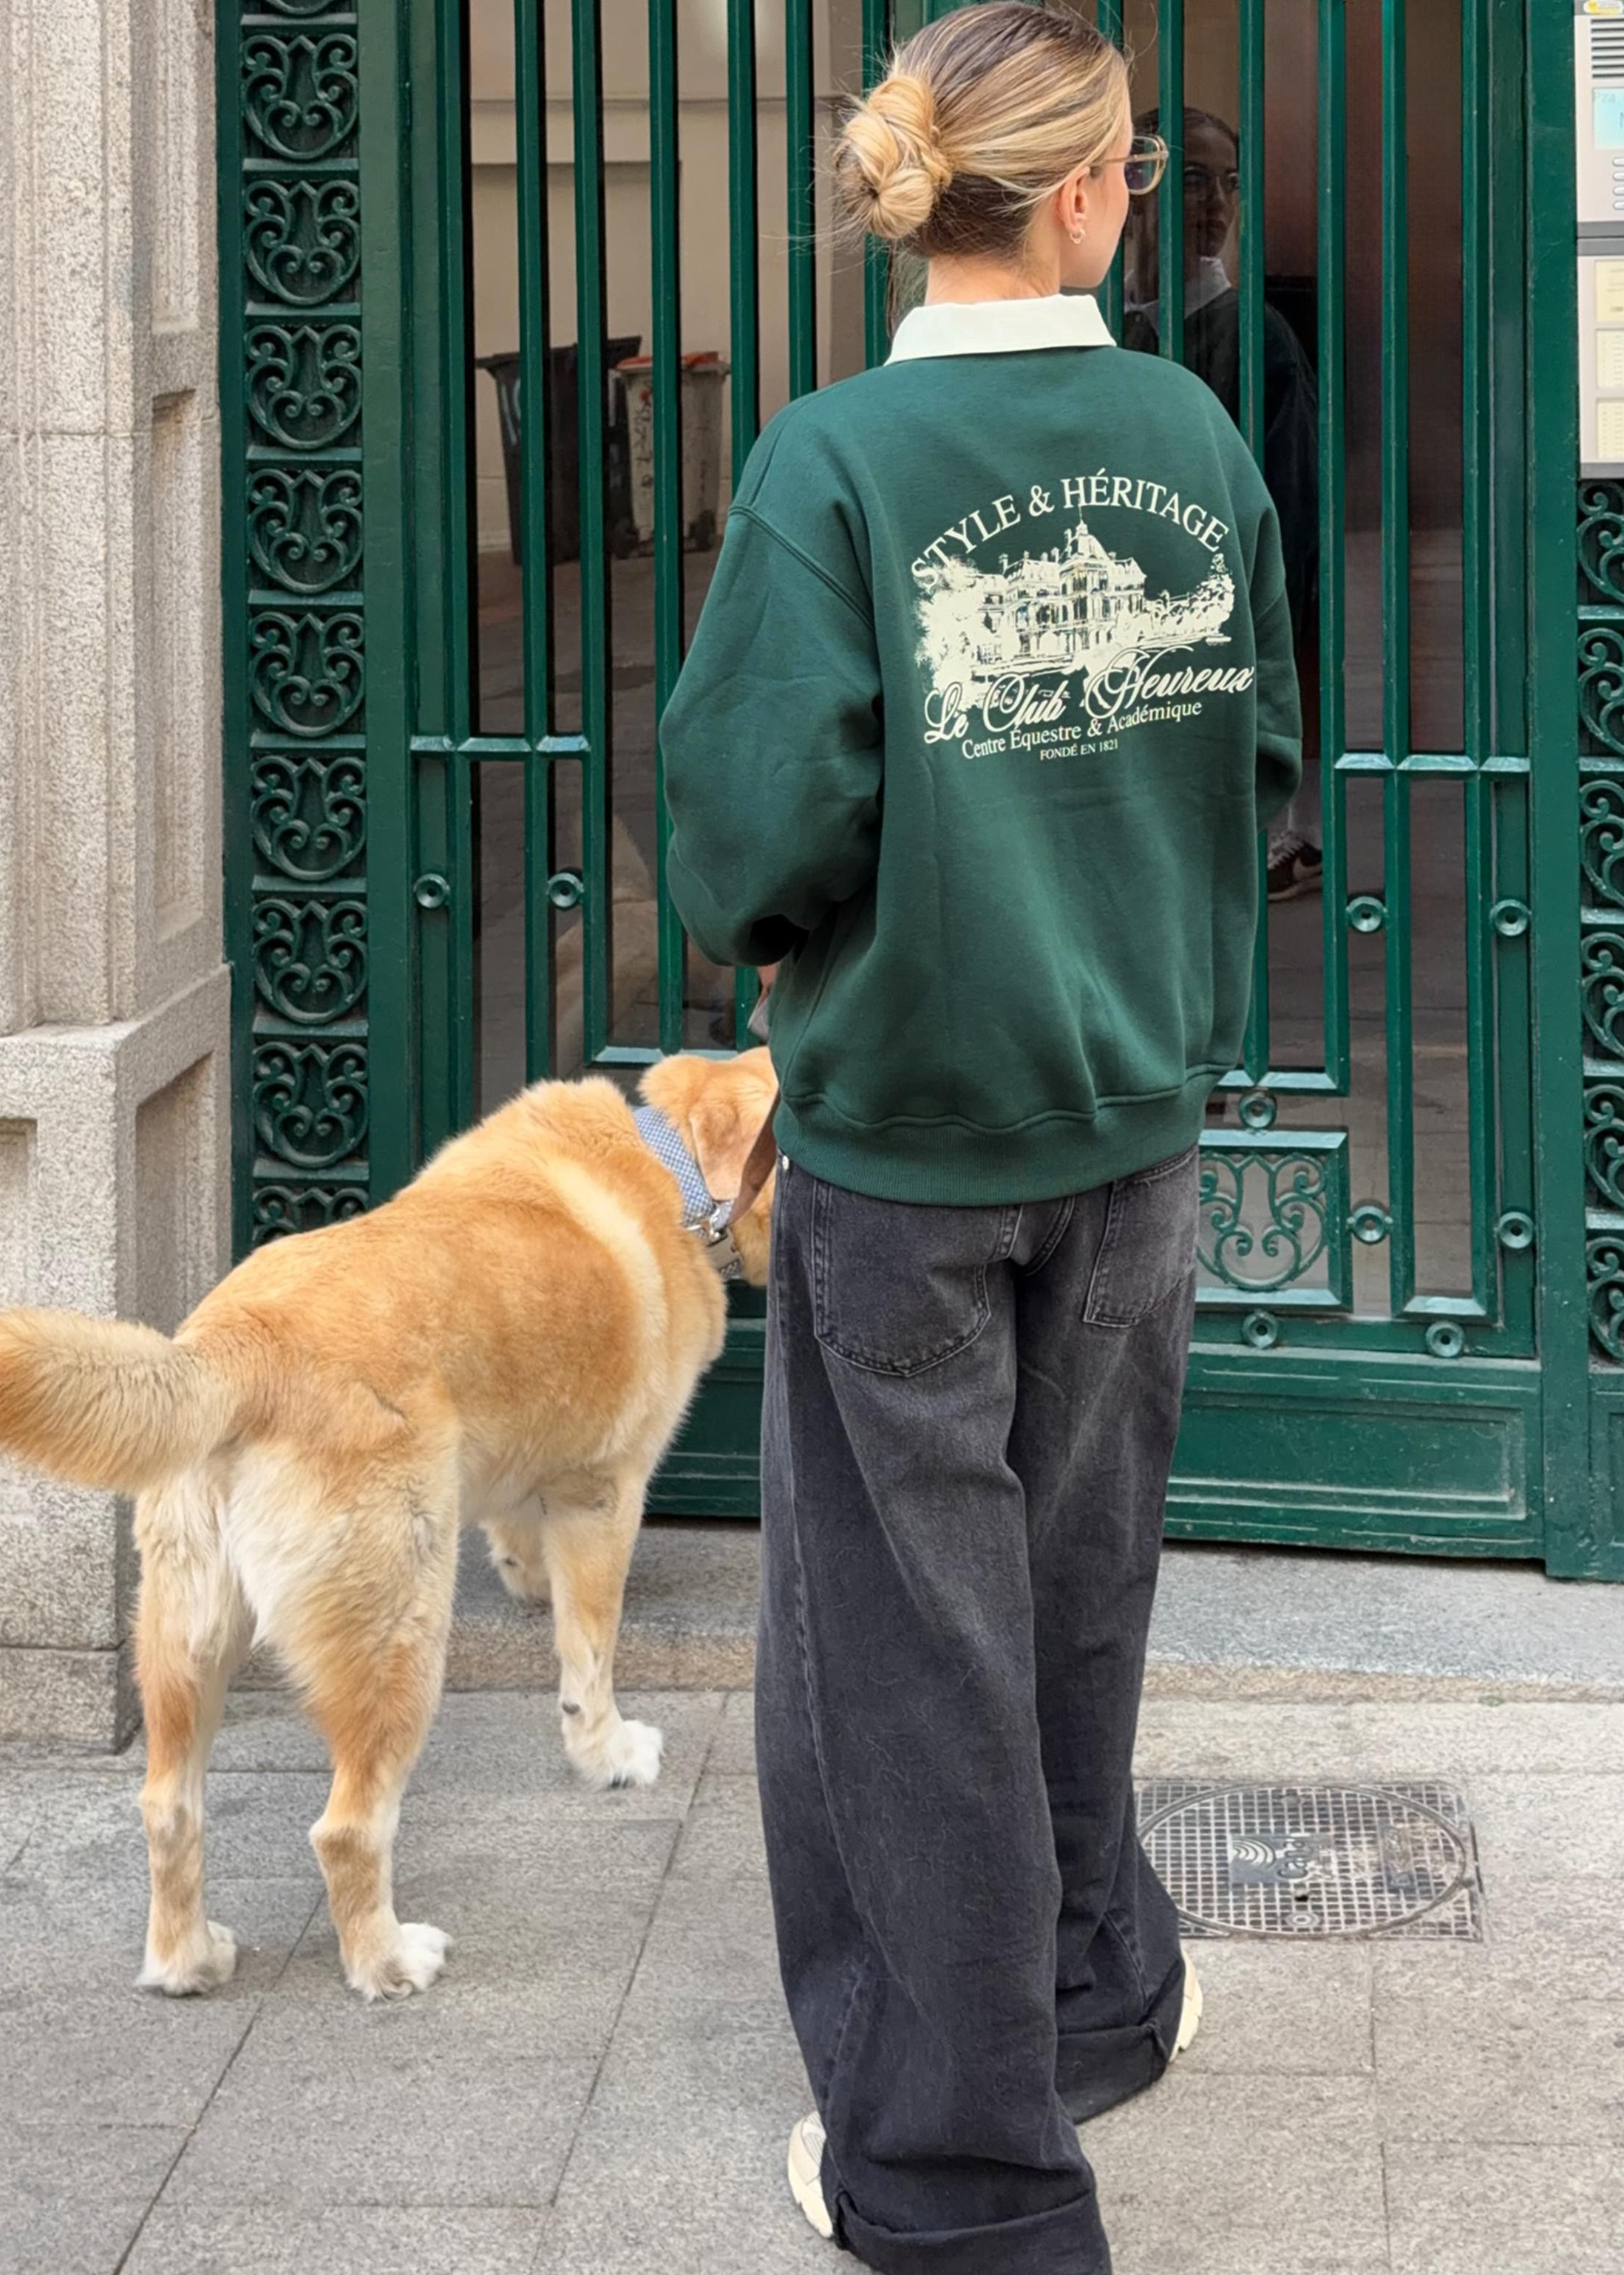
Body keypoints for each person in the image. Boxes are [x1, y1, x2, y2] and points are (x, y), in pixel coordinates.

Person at [662, 7, 1300, 2270]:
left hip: (911, 1151)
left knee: (901, 1647)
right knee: (1077, 1585)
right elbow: (1264, 767)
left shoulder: (828, 462)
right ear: (1090, 190)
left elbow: (753, 832)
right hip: (1133, 1126)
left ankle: (957, 2179)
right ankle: (1089, 1994)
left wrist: (806, 949)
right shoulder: (1190, 431)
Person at [1124, 103, 1323, 900]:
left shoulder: (1255, 334)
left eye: (1231, 183)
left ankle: (1275, 843)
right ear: (1135, 188)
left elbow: (1290, 505)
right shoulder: (1109, 330)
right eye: (1193, 181)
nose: (1216, 203)